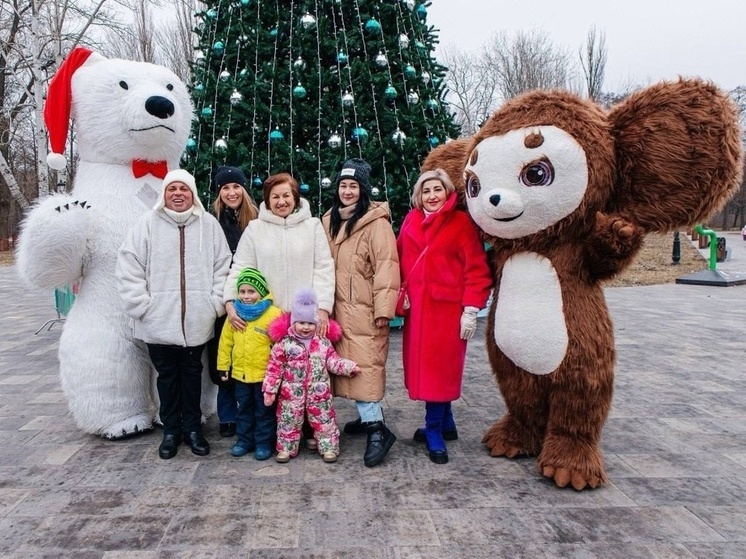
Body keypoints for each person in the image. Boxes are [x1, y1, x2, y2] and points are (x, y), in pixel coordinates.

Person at [116, 169, 231, 459]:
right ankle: (171, 431)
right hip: (157, 320)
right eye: (172, 189)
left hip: (197, 320)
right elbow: (129, 265)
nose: (178, 194)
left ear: (192, 194)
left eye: (184, 189)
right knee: (166, 377)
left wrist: (214, 304)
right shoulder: (147, 224)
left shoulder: (208, 225)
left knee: (193, 376)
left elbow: (222, 266)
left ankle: (193, 429)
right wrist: (143, 305)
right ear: (164, 195)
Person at [224, 172, 335, 450]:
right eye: (275, 196)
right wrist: (229, 301)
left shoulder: (311, 226)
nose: (281, 201)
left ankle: (309, 428)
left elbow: (323, 266)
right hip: (266, 317)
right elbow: (240, 267)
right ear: (267, 200)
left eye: (286, 195)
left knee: (308, 375)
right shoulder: (255, 229)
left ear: (295, 198)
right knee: (273, 376)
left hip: (304, 319)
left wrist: (322, 308)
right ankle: (273, 434)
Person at [397, 168, 492, 465]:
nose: (432, 196)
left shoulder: (461, 223)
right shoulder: (411, 220)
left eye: (437, 189)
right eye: (426, 190)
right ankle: (446, 423)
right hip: (418, 313)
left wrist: (471, 309)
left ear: (447, 192)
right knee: (425, 371)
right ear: (418, 195)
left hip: (447, 314)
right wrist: (401, 292)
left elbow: (477, 270)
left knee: (439, 373)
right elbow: (400, 260)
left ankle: (435, 431)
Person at [322, 158, 400, 468]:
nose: (347, 191)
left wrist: (384, 310)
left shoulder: (375, 222)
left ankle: (377, 431)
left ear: (363, 190)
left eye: (354, 186)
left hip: (366, 309)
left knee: (364, 367)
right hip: (337, 308)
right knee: (345, 365)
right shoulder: (329, 220)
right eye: (343, 185)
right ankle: (367, 417)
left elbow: (387, 266)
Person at [263, 288, 360, 464]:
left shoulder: (322, 342)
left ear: (316, 323)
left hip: (319, 394)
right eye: (301, 323)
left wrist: (348, 367)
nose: (306, 327)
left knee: (325, 421)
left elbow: (332, 360)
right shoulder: (285, 343)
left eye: (310, 323)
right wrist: (270, 390)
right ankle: (285, 447)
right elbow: (274, 367)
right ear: (293, 322)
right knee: (288, 420)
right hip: (291, 395)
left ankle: (328, 447)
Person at [206, 166, 259, 439]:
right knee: (223, 354)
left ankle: (253, 412)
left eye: (235, 187)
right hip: (221, 297)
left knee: (252, 353)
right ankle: (227, 415)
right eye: (225, 188)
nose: (231, 192)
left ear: (243, 189)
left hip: (252, 297)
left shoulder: (257, 221)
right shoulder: (210, 221)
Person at [216, 267, 282, 460]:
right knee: (243, 409)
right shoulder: (235, 315)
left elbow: (280, 345)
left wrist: (280, 370)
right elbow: (225, 343)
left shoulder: (273, 314)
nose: (246, 296)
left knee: (264, 411)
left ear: (260, 292)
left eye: (251, 291)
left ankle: (264, 442)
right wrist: (223, 367)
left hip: (264, 376)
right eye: (242, 291)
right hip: (241, 374)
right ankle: (244, 440)